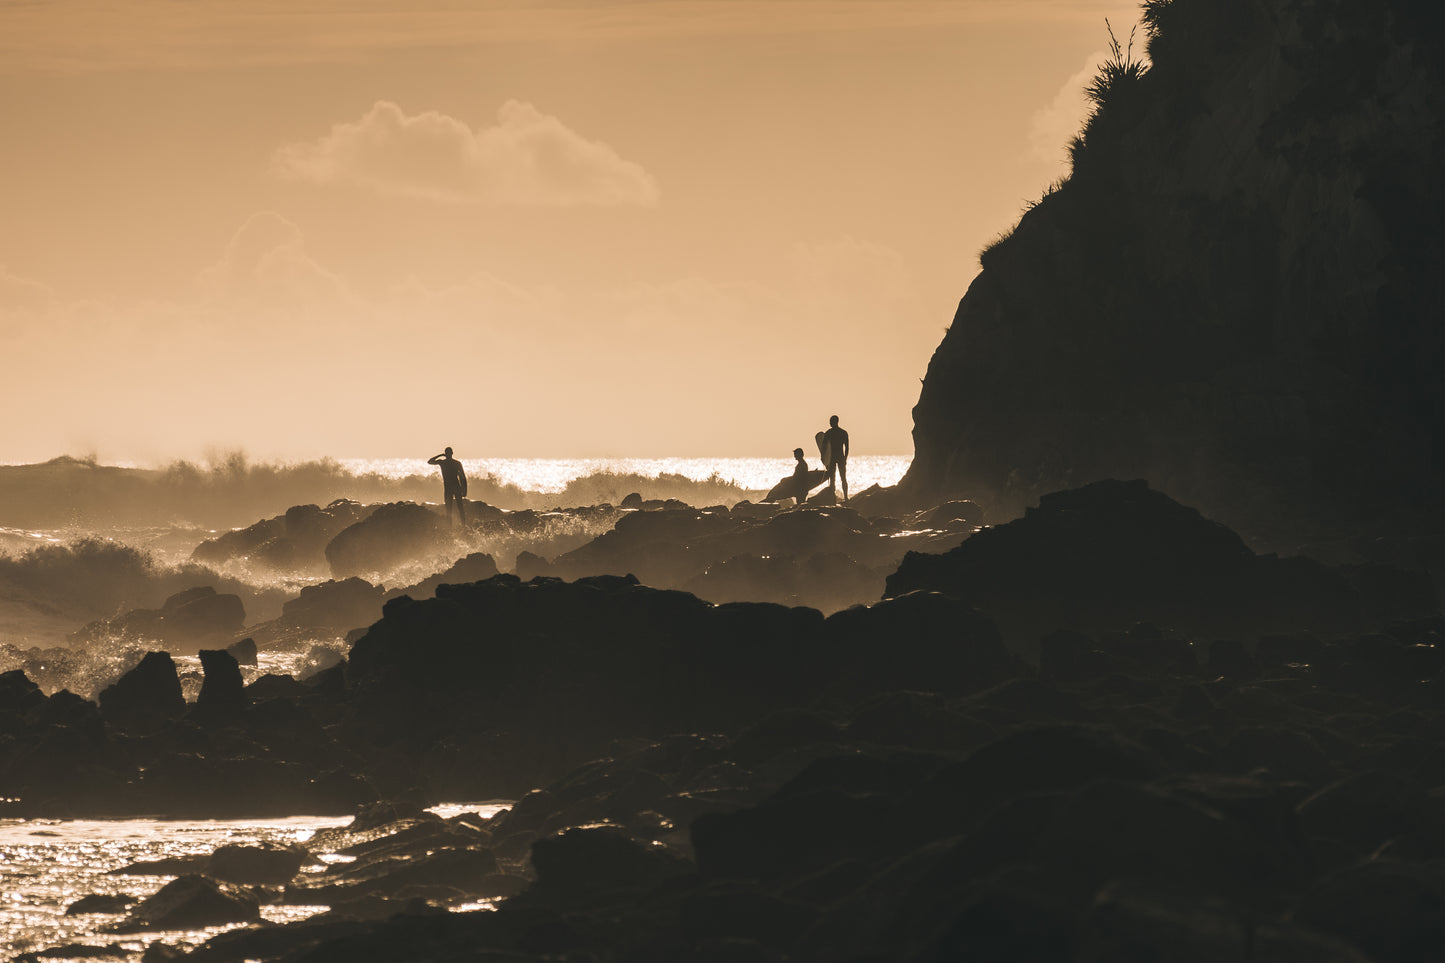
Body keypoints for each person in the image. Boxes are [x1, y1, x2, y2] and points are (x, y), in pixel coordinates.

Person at [427, 447, 468, 524]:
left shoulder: (453, 463)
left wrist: (464, 490)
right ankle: (452, 527)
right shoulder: (443, 463)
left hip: (455, 487)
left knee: (459, 508)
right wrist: (441, 455)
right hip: (450, 488)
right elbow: (429, 462)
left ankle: (463, 525)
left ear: (452, 453)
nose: (448, 455)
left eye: (449, 453)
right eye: (447, 453)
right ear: (447, 454)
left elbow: (462, 477)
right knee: (449, 509)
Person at [823, 414, 849, 501]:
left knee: (834, 478)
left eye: (830, 422)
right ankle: (845, 497)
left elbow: (823, 448)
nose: (829, 423)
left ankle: (837, 497)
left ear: (835, 422)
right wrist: (845, 458)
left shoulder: (828, 433)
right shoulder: (843, 432)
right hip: (840, 457)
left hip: (832, 458)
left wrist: (823, 458)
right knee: (842, 478)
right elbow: (847, 448)